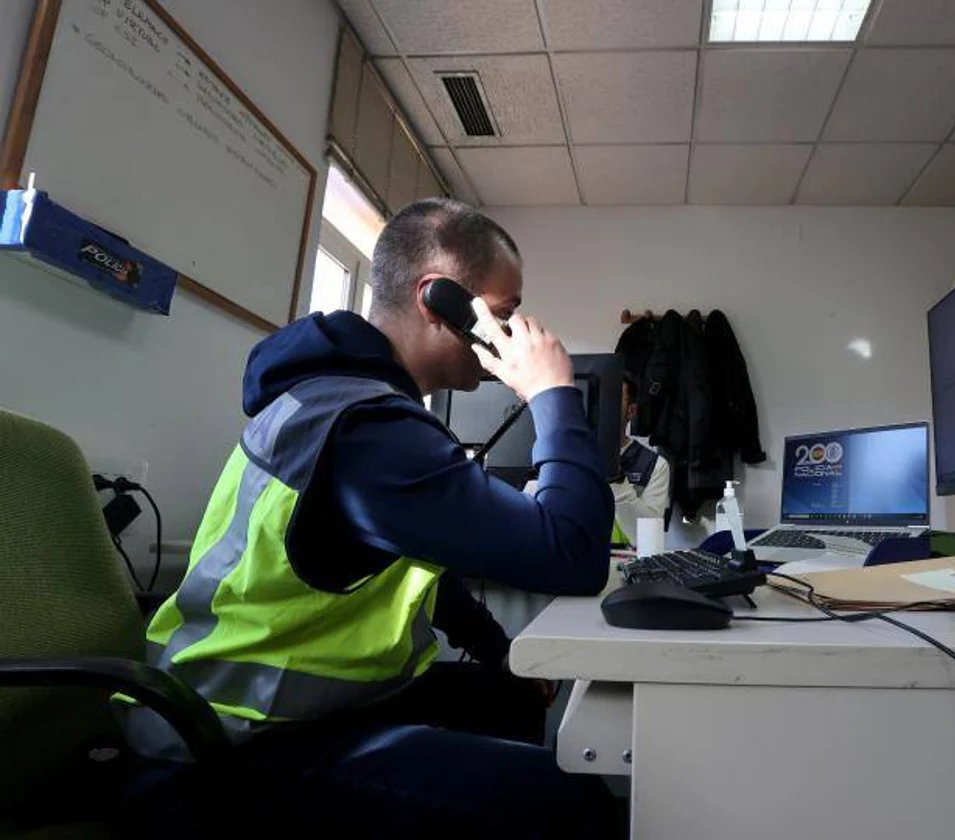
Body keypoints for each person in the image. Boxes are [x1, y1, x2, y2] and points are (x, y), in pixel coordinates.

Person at [120, 198, 621, 837]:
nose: (512, 334)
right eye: (503, 314)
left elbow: (412, 571)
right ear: (437, 299)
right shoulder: (363, 429)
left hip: (319, 710)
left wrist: (498, 651)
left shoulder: (362, 406)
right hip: (224, 749)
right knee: (564, 802)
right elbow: (573, 554)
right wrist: (552, 393)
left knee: (511, 699)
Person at [610, 373, 671, 549]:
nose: (606, 405)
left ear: (631, 410)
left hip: (625, 562)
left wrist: (616, 479)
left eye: (614, 397)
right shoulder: (567, 456)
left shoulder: (654, 466)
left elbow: (645, 537)